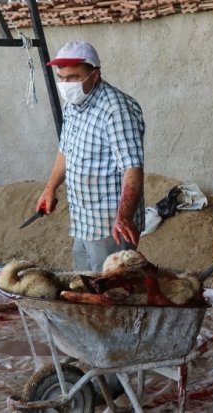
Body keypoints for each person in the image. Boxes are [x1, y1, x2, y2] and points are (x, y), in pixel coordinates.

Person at [37, 41, 145, 272]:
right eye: (62, 77)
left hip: (111, 226)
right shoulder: (72, 107)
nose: (66, 84)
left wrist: (124, 217)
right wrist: (50, 188)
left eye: (74, 77)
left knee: (113, 293)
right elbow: (66, 151)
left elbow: (132, 169)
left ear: (95, 75)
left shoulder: (116, 110)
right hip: (84, 220)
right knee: (85, 288)